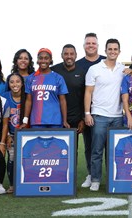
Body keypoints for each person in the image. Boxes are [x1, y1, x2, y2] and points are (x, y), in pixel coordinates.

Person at [84, 38, 125, 191]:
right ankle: (95, 179)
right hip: (99, 115)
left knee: (114, 151)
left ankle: (113, 179)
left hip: (117, 117)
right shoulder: (94, 69)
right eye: (110, 49)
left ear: (119, 52)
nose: (113, 51)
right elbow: (88, 92)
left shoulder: (123, 69)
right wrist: (87, 113)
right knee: (97, 150)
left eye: (115, 49)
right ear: (105, 51)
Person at [51, 44, 92, 186]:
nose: (69, 56)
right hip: (57, 118)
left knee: (73, 151)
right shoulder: (54, 70)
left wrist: (82, 118)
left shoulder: (83, 71)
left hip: (76, 118)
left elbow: (85, 96)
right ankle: (56, 176)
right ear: (62, 55)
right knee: (56, 149)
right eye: (66, 54)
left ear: (75, 55)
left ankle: (70, 180)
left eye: (71, 54)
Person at [75, 33, 106, 188]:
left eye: (94, 43)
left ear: (98, 45)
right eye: (88, 43)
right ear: (84, 46)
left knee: (108, 146)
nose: (91, 45)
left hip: (107, 112)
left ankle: (112, 175)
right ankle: (91, 174)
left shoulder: (107, 61)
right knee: (90, 146)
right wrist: (84, 114)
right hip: (87, 113)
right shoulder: (78, 64)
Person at [22, 48, 69, 128]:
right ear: (37, 60)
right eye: (41, 58)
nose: (43, 61)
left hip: (55, 120)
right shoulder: (30, 78)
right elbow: (28, 101)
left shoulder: (58, 78)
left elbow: (63, 100)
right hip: (37, 121)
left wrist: (65, 120)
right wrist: (25, 121)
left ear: (50, 60)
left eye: (46, 58)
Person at [0, 73, 26, 194]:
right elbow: (0, 119)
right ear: (8, 84)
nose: (15, 84)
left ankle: (28, 181)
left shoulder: (28, 96)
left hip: (25, 133)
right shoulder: (4, 97)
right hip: (11, 134)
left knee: (27, 158)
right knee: (11, 158)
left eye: (18, 81)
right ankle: (12, 184)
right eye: (12, 82)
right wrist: (7, 136)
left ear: (22, 83)